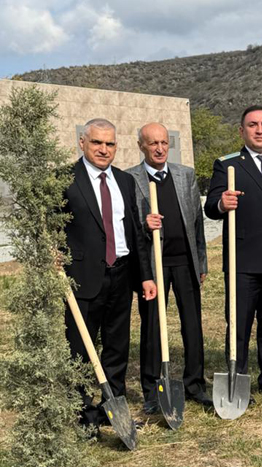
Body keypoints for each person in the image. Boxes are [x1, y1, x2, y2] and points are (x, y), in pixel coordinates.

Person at [63, 118, 156, 432]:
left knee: (117, 347)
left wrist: (145, 276)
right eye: (97, 143)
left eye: (110, 144)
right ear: (82, 142)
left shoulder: (125, 181)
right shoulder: (65, 179)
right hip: (82, 278)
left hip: (121, 276)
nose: (104, 149)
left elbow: (134, 231)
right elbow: (49, 228)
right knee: (80, 350)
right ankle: (83, 416)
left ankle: (112, 410)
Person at [204, 105, 262, 401]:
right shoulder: (228, 165)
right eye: (253, 125)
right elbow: (211, 207)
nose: (259, 130)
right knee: (240, 325)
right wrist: (222, 203)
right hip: (243, 261)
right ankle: (239, 379)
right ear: (241, 131)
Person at [126, 122, 210, 413]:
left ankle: (195, 384)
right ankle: (152, 389)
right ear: (141, 146)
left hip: (184, 261)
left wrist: (201, 261)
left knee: (192, 325)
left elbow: (197, 223)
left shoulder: (185, 175)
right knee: (152, 327)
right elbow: (126, 227)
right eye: (153, 143)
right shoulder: (129, 179)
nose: (160, 148)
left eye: (164, 143)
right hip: (153, 267)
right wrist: (143, 224)